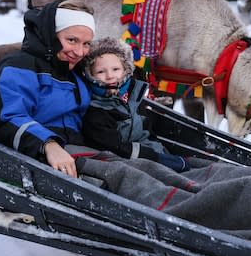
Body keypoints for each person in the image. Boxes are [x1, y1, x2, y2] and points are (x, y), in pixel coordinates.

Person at [0, 0, 96, 178]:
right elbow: (9, 117)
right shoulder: (17, 68)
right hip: (35, 160)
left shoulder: (74, 73)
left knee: (145, 168)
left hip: (80, 151)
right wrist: (49, 144)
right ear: (50, 35)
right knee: (128, 178)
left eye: (86, 44)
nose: (80, 52)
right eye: (72, 40)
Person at [81, 37, 190, 172]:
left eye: (115, 69)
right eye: (100, 72)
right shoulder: (96, 110)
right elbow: (113, 146)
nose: (110, 76)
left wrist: (160, 151)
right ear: (90, 75)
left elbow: (146, 132)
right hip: (122, 159)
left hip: (144, 150)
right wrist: (154, 157)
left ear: (126, 70)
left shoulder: (133, 98)